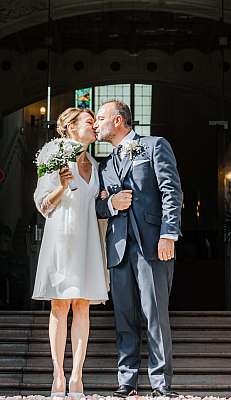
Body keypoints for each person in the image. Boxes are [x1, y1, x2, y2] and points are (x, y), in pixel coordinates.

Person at [94, 100, 183, 397]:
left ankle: (161, 384)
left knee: (155, 315)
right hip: (118, 249)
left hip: (152, 246)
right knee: (124, 317)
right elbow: (96, 206)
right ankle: (127, 381)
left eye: (101, 118)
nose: (96, 124)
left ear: (119, 121)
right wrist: (110, 203)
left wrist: (169, 233)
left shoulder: (154, 146)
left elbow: (171, 191)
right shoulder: (105, 165)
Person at [32, 107, 109, 400]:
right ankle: (57, 376)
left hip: (88, 239)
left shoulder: (95, 163)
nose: (94, 126)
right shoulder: (54, 155)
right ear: (70, 127)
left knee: (82, 306)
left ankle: (77, 377)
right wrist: (62, 186)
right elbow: (42, 204)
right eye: (89, 122)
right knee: (60, 306)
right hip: (62, 238)